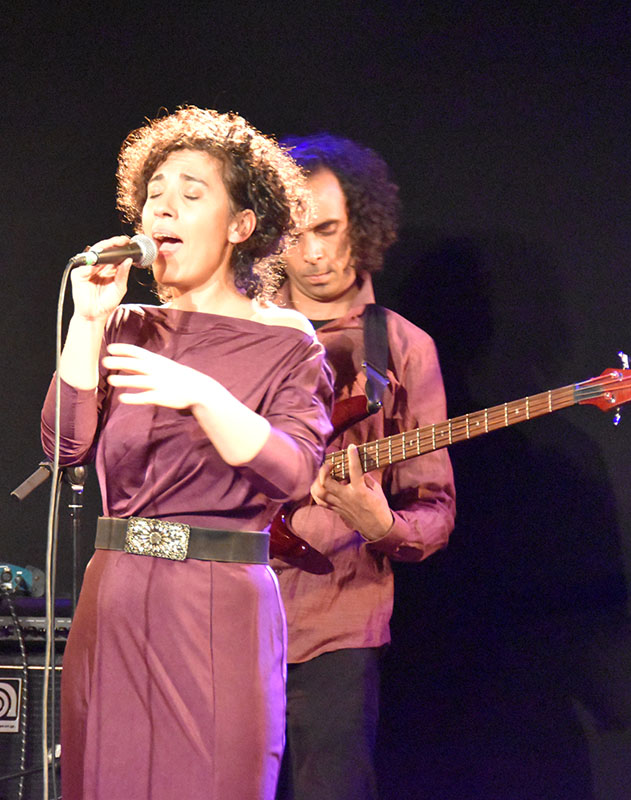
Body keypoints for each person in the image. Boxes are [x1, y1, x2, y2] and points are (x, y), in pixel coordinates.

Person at [40, 107, 334, 800]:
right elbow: (63, 446)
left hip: (219, 599)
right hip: (117, 593)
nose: (163, 209)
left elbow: (294, 471)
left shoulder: (287, 340)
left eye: (191, 194)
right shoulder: (126, 326)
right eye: (155, 195)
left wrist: (205, 396)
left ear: (240, 226)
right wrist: (89, 321)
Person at [271, 134, 457, 800]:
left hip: (336, 622)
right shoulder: (239, 332)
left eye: (327, 229)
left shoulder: (403, 347)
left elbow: (435, 509)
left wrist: (382, 524)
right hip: (220, 616)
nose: (312, 253)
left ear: (363, 225)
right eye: (293, 235)